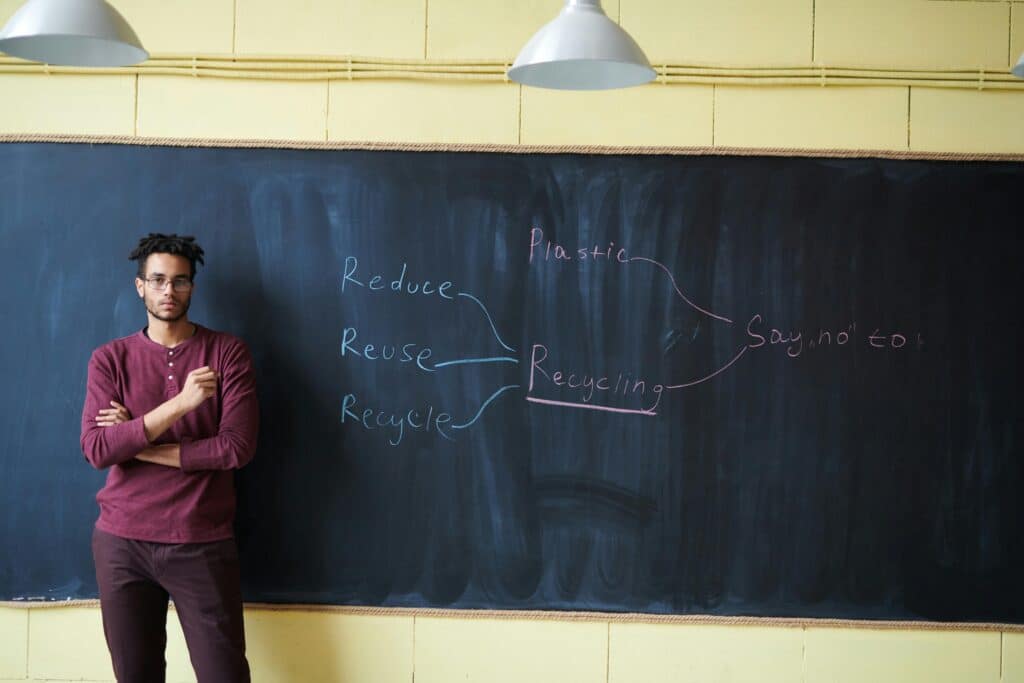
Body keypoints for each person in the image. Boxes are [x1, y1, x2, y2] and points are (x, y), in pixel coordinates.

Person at [80, 233, 259, 683]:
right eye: (157, 280)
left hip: (201, 539)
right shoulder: (110, 360)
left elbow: (235, 447)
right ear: (140, 286)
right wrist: (180, 405)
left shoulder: (227, 353)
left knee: (225, 675)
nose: (168, 291)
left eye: (179, 281)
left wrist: (134, 437)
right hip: (122, 543)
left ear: (192, 288)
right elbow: (98, 449)